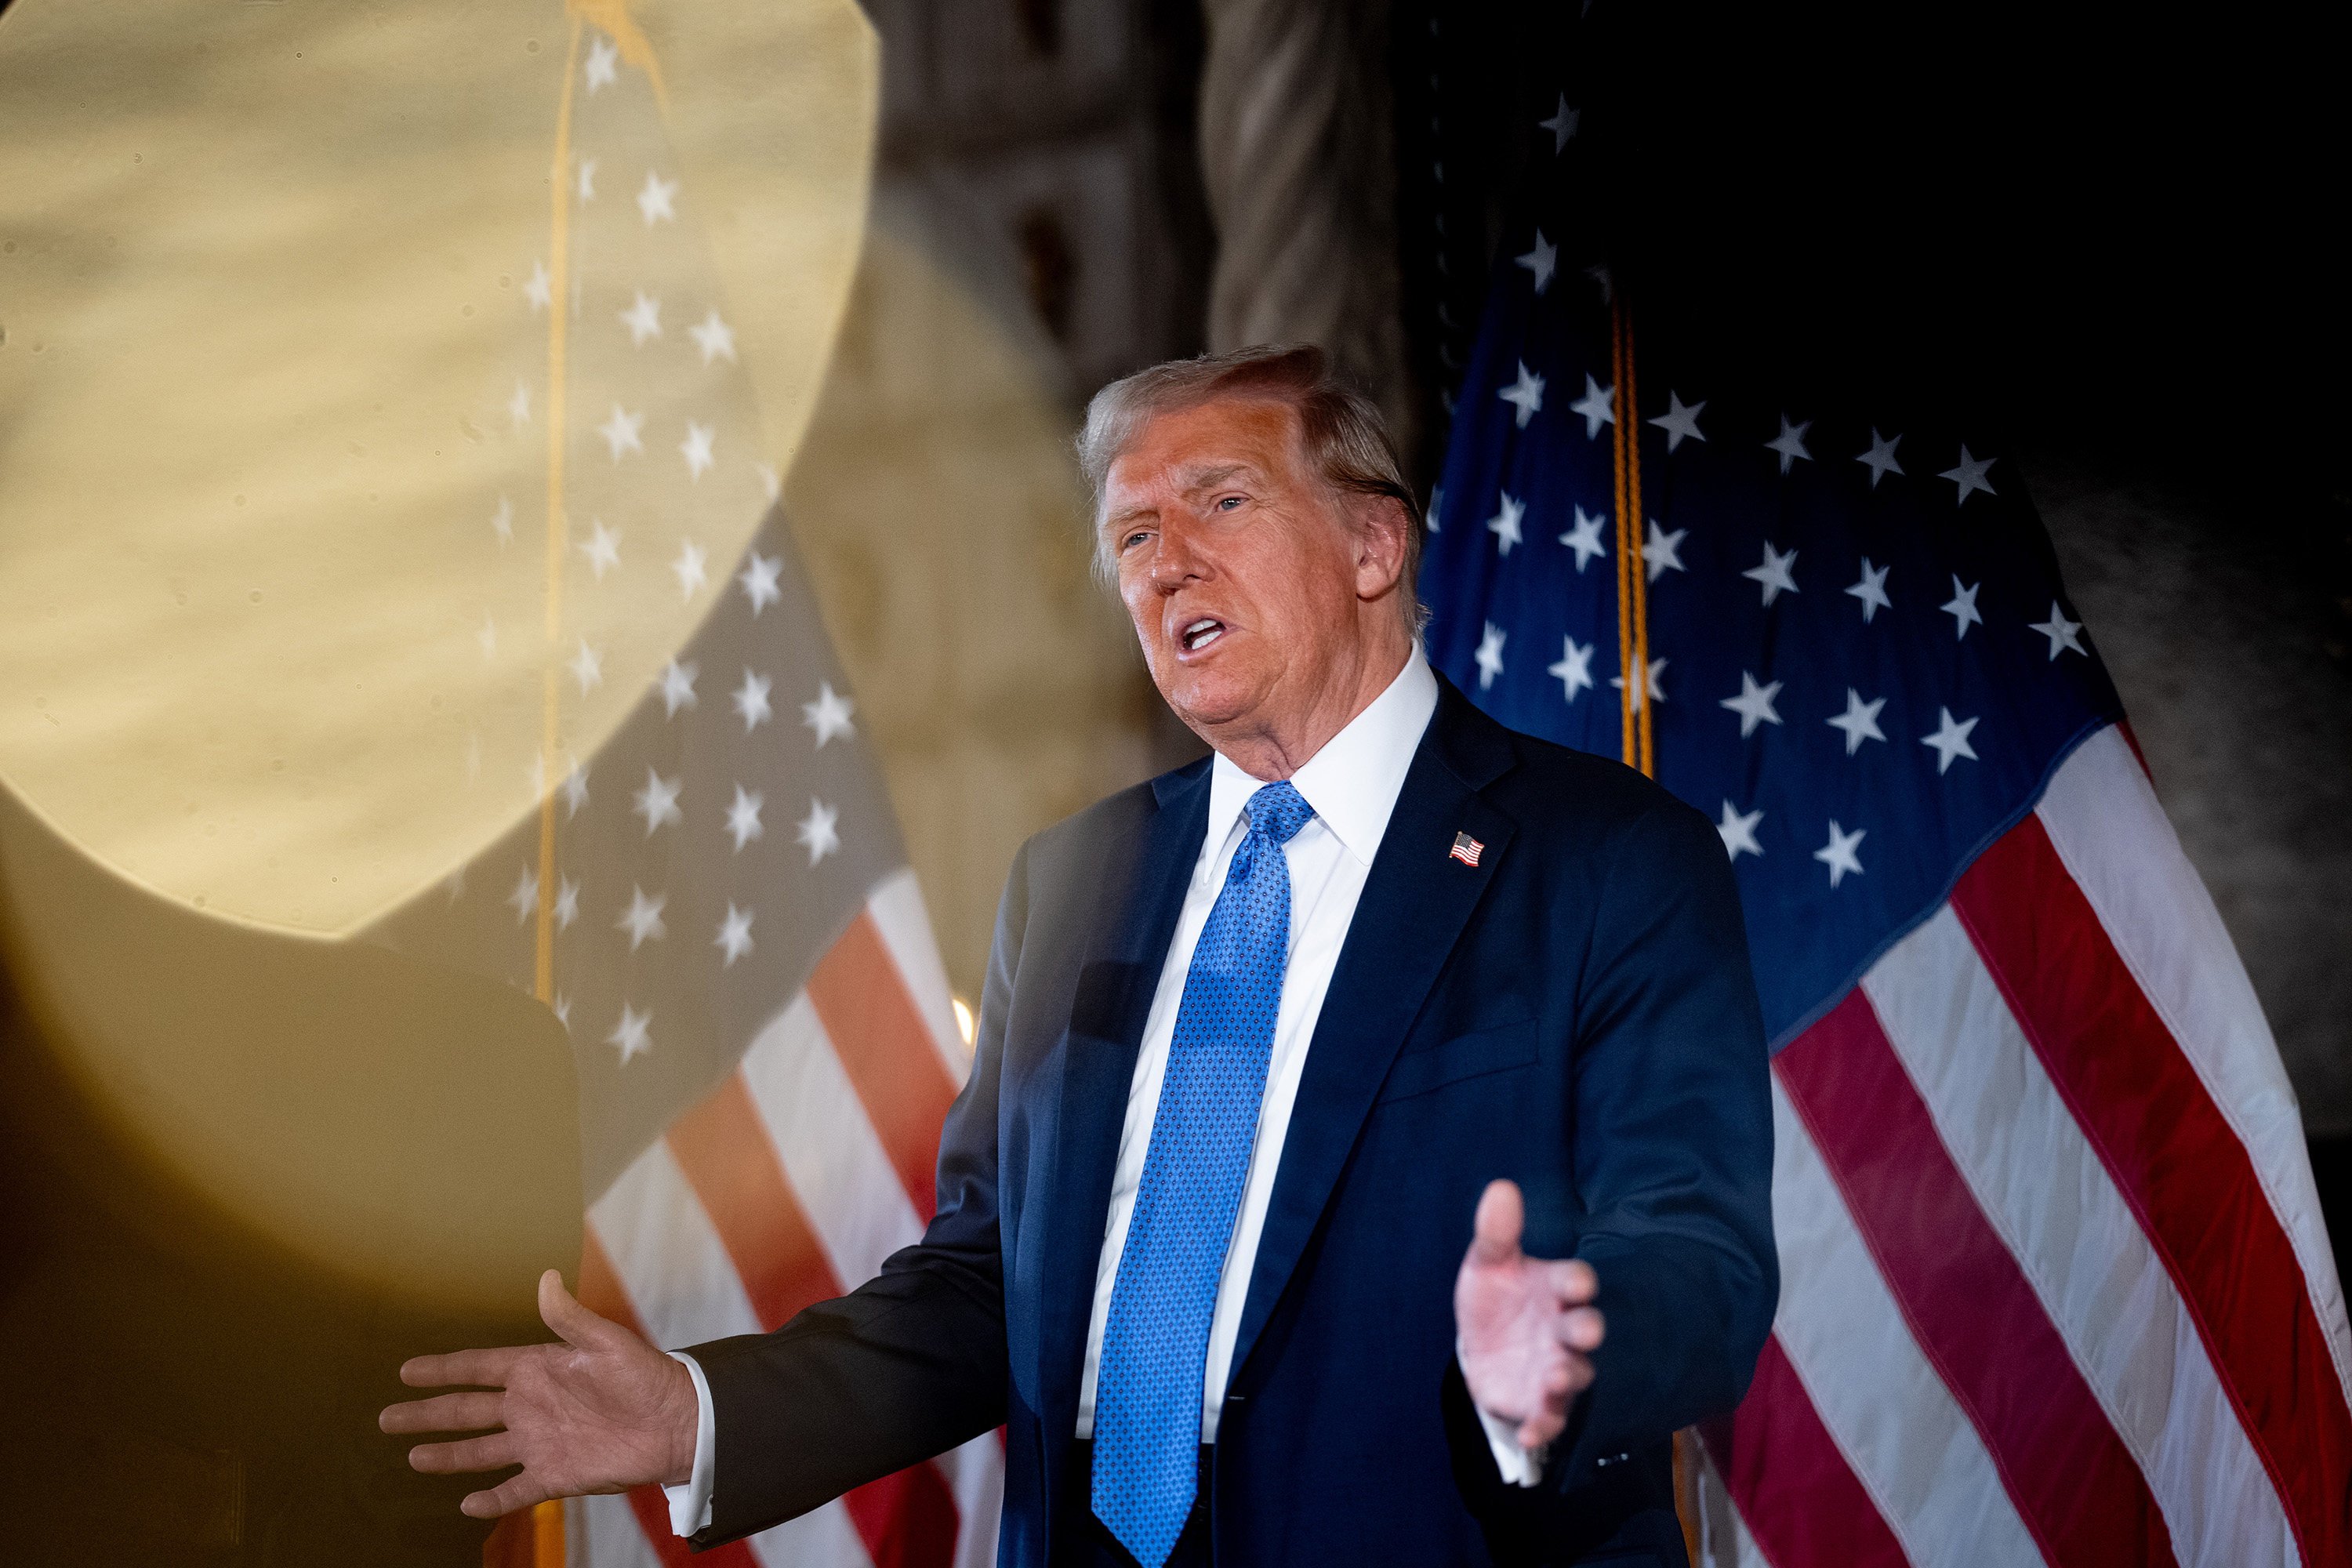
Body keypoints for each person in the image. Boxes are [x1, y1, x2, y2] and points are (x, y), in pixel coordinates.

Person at [383, 345, 1776, 1566]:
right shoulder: (1074, 883)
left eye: (1222, 502)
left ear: (1372, 548)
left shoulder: (1609, 861)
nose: (1168, 560)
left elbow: (1701, 1256)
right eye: (1130, 538)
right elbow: (988, 1283)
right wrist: (702, 1413)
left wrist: (1569, 1342)